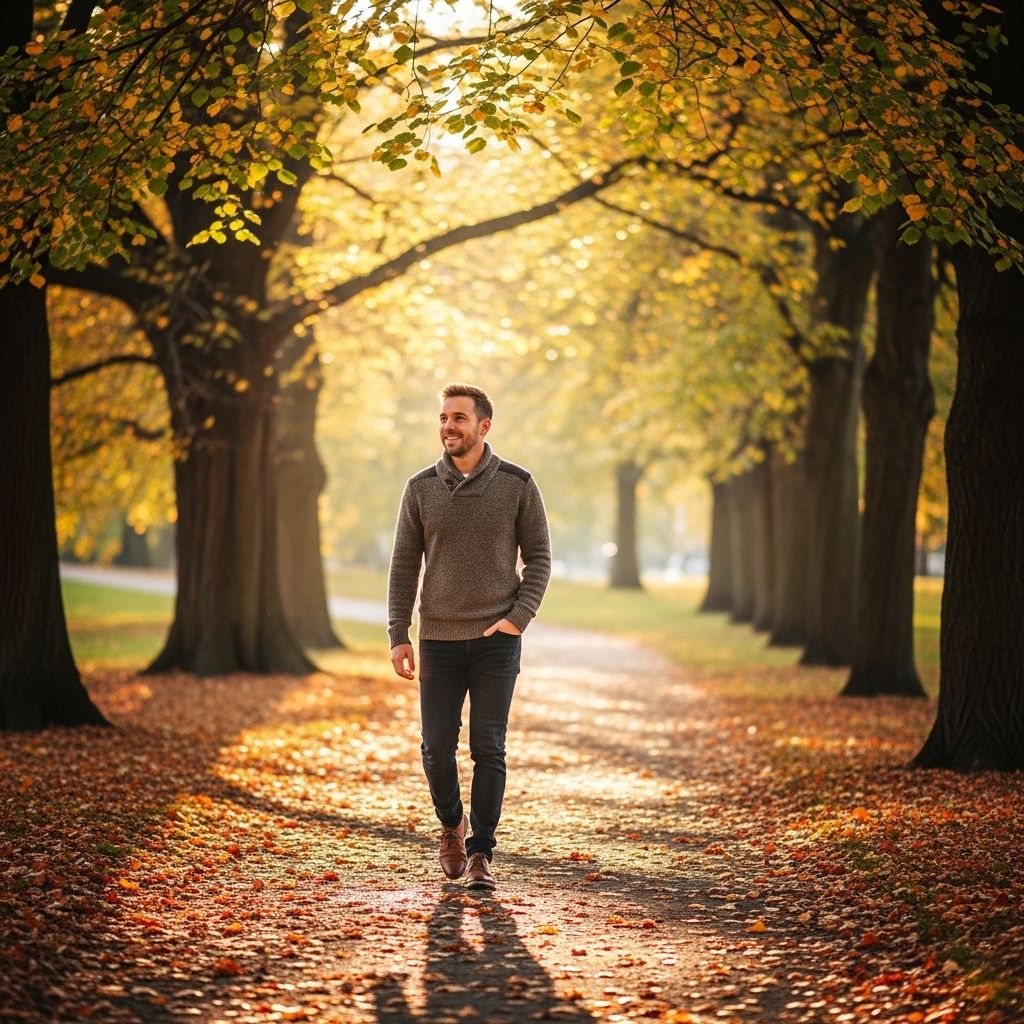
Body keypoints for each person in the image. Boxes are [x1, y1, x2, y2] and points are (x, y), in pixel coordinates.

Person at [387, 383, 552, 890]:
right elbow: (403, 566)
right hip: (437, 638)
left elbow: (540, 559)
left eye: (458, 418)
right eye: (443, 418)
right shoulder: (420, 488)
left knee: (489, 746)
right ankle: (451, 825)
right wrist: (399, 633)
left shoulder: (517, 484)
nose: (448, 427)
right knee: (436, 747)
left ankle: (481, 852)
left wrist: (516, 619)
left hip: (496, 641)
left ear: (483, 426)